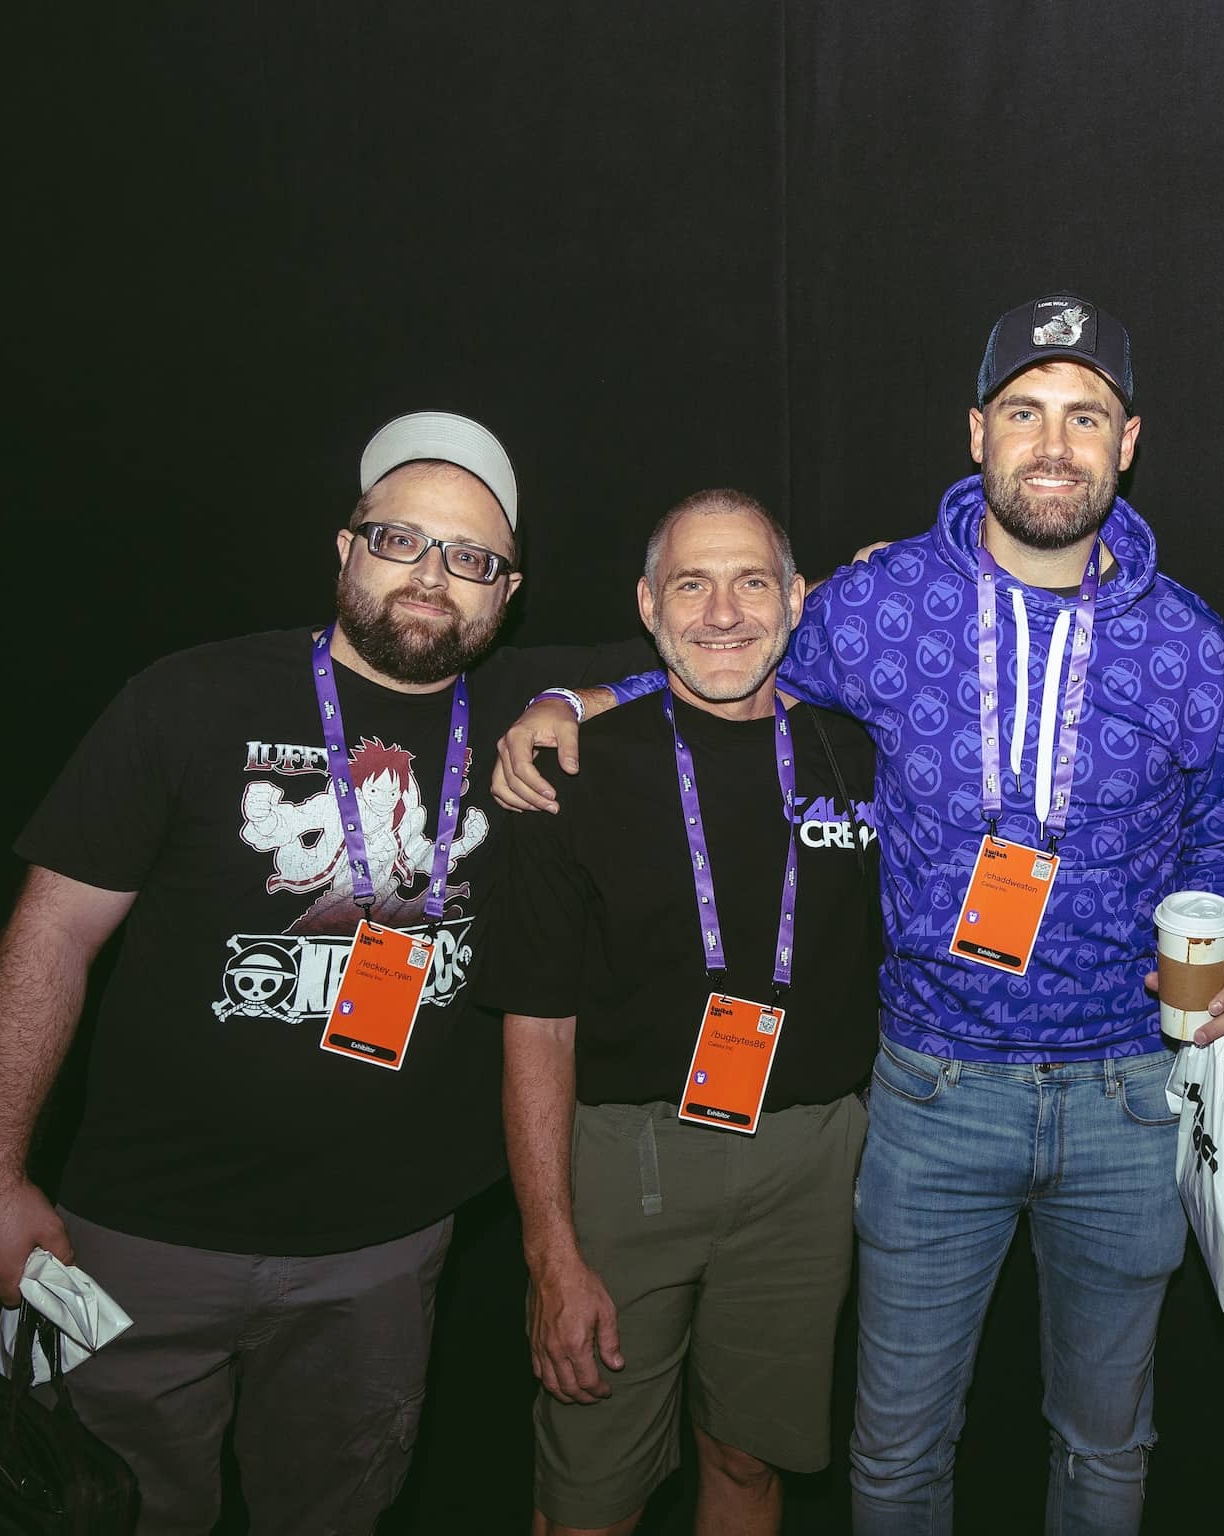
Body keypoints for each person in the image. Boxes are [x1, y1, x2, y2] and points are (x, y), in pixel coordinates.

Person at [494, 294, 1224, 1534]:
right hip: (931, 1094)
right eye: (1024, 412)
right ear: (977, 433)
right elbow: (735, 660)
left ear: (1130, 442)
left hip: (1130, 1095)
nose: (1053, 444)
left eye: (1086, 415)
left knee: (1106, 1449)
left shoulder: (1193, 646)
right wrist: (583, 699)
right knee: (897, 1454)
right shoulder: (883, 601)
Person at [0, 412, 639, 1534]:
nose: (431, 577)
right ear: (344, 548)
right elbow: (48, 940)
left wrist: (579, 700)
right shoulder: (190, 698)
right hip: (138, 1242)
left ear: (507, 593)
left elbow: (724, 647)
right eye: (400, 540)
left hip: (382, 1255)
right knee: (99, 1513)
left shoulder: (520, 704)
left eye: (470, 559)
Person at [474, 489, 880, 1536]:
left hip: (810, 1158)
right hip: (625, 1162)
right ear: (649, 606)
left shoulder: (860, 751)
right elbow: (535, 1024)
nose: (723, 611)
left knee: (749, 1457)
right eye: (691, 584)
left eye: (752, 581)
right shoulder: (572, 766)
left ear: (798, 599)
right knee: (591, 1487)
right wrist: (550, 1251)